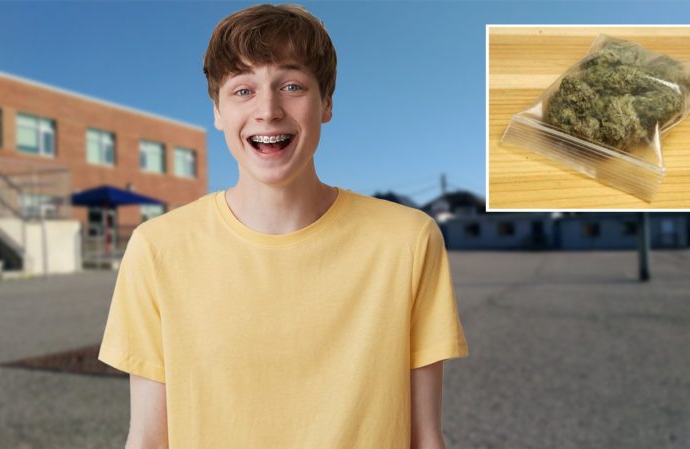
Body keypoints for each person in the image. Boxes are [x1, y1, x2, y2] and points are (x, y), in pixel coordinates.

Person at [98, 4, 468, 448]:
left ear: (326, 102)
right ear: (217, 111)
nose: (268, 110)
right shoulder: (158, 248)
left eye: (291, 86)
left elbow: (425, 437)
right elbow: (147, 439)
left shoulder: (407, 241)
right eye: (242, 90)